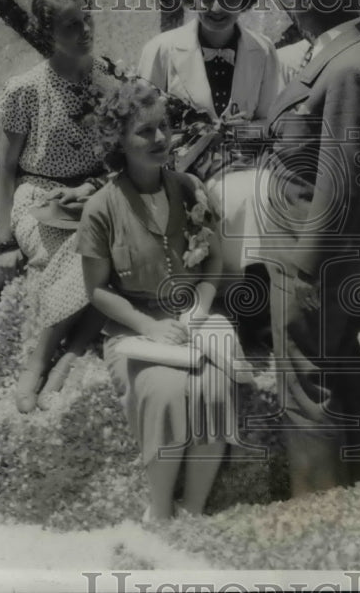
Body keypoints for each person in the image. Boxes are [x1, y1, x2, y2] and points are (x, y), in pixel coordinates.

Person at [256, 0, 360, 495]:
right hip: (320, 248)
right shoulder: (336, 51)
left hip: (311, 252)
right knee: (339, 367)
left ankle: (318, 514)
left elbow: (339, 172)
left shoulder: (348, 64)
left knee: (305, 388)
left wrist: (304, 269)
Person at [77, 79, 244, 522]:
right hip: (138, 331)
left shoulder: (192, 188)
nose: (159, 139)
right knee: (167, 392)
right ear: (119, 141)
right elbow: (95, 290)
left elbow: (215, 260)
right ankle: (161, 511)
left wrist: (201, 306)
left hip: (195, 322)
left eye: (164, 128)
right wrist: (149, 327)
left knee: (215, 387)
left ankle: (194, 508)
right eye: (144, 131)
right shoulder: (101, 208)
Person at [0, 0, 121, 412]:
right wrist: (6, 242)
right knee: (79, 250)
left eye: (88, 18)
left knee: (124, 246)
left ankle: (69, 355)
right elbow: (6, 169)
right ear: (49, 33)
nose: (85, 30)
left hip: (95, 193)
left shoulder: (108, 79)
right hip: (39, 198)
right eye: (71, 25)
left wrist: (95, 188)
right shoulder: (25, 90)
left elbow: (118, 156)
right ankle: (37, 365)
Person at [136, 0, 283, 128]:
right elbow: (142, 125)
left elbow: (272, 124)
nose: (216, 8)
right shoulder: (160, 50)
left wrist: (246, 131)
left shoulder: (264, 50)